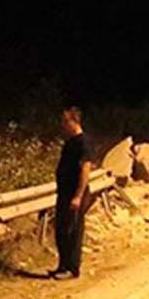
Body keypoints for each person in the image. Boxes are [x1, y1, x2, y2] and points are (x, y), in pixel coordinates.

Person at [50, 106, 94, 280]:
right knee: (61, 230)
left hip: (75, 193)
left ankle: (72, 268)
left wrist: (78, 196)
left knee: (73, 231)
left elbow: (85, 169)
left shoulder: (83, 143)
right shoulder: (70, 142)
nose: (62, 126)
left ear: (73, 122)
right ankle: (62, 265)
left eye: (64, 122)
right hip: (64, 193)